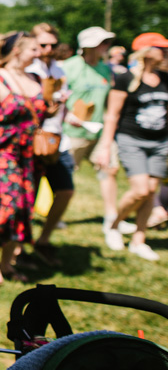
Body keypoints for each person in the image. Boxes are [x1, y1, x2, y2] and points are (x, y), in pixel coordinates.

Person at [94, 32, 168, 260]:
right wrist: (106, 146)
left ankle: (138, 240)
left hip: (160, 143)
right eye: (161, 48)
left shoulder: (165, 78)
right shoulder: (125, 78)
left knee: (151, 192)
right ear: (147, 52)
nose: (165, 52)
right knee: (140, 190)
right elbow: (112, 115)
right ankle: (114, 224)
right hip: (131, 140)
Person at [62, 26, 132, 235]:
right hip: (72, 132)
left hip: (99, 132)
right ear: (89, 46)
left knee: (109, 170)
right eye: (103, 42)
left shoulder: (105, 69)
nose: (107, 46)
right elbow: (57, 96)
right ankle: (54, 216)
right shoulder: (69, 66)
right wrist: (66, 114)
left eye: (108, 42)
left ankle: (111, 218)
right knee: (64, 177)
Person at [0, 31, 44, 284]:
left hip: (30, 156)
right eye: (34, 48)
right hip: (4, 153)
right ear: (17, 51)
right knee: (6, 205)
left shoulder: (36, 79)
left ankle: (7, 261)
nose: (39, 53)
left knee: (25, 207)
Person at [25, 23, 74, 266]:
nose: (48, 49)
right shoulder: (28, 69)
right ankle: (19, 248)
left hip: (56, 139)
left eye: (53, 45)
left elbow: (61, 106)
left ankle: (43, 240)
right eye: (43, 44)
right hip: (33, 140)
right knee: (29, 196)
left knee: (65, 190)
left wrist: (69, 114)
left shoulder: (58, 69)